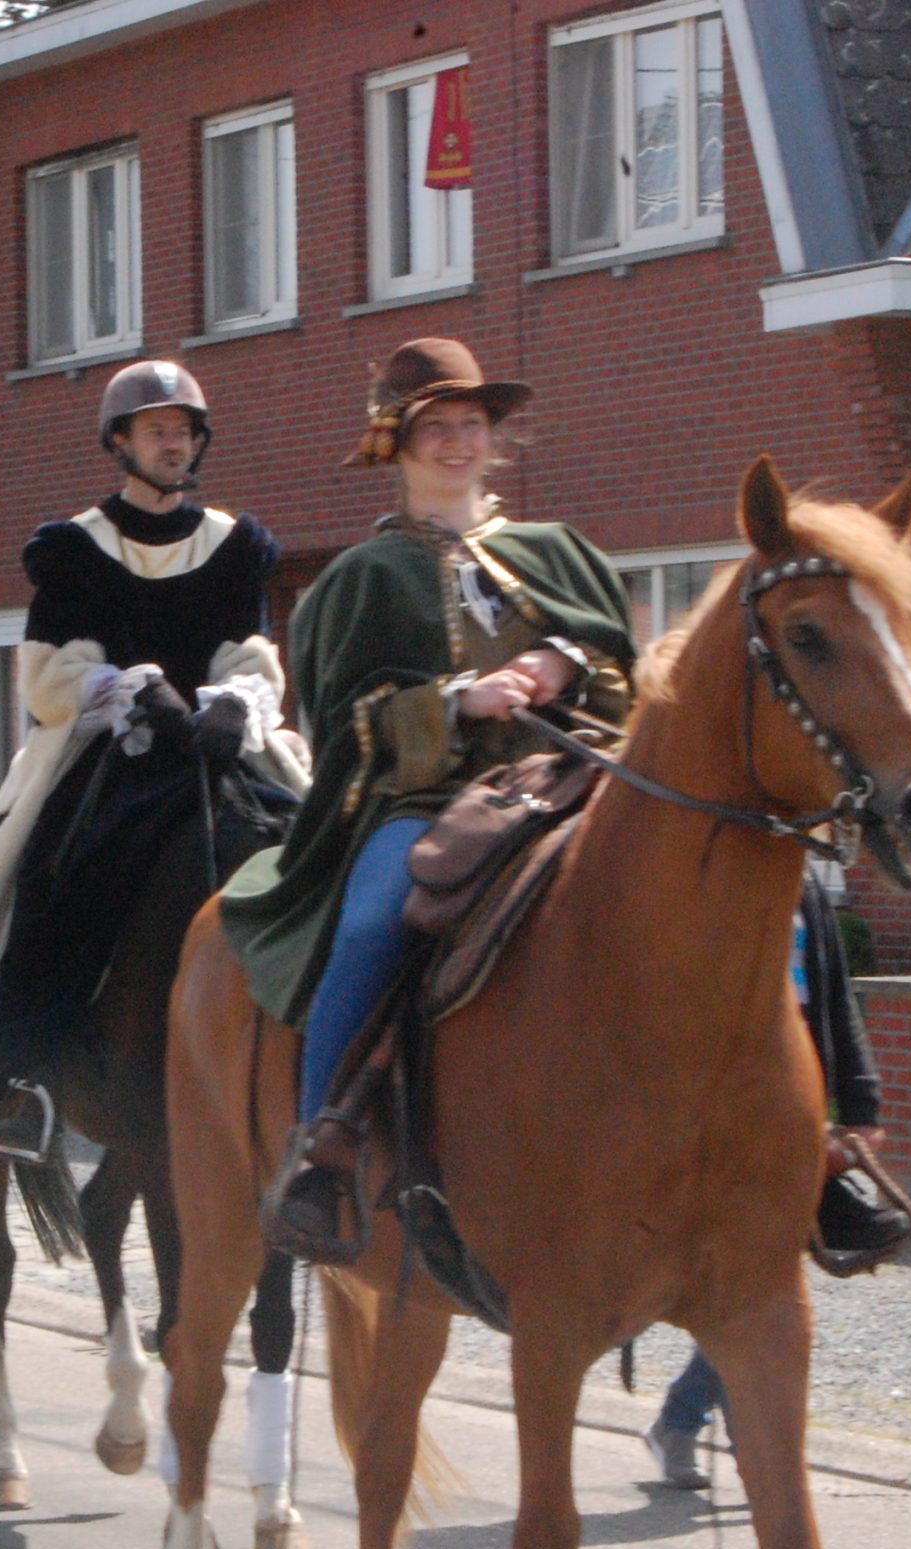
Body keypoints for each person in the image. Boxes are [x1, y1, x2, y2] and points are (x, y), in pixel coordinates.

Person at [219, 338, 637, 1258]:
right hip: (423, 801)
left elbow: (623, 661)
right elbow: (343, 722)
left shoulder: (558, 553)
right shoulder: (358, 581)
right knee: (374, 923)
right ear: (395, 445)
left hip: (569, 780)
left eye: (472, 426)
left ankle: (823, 1123)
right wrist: (455, 701)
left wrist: (561, 660)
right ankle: (320, 1148)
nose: (457, 443)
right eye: (436, 427)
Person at [0, 359, 308, 1153]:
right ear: (121, 442)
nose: (174, 442)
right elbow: (47, 675)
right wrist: (133, 690)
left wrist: (232, 704)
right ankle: (19, 1077)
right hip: (111, 749)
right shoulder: (73, 549)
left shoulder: (235, 545)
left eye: (184, 430)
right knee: (46, 870)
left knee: (318, 840)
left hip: (217, 744)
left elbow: (251, 650)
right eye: (157, 429)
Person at [643, 865, 911, 1490]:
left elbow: (835, 998)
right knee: (753, 1286)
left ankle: (686, 1425)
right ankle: (731, 1440)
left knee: (759, 1285)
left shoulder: (801, 883)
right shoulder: (699, 878)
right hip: (715, 1113)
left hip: (795, 1113)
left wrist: (862, 1112)